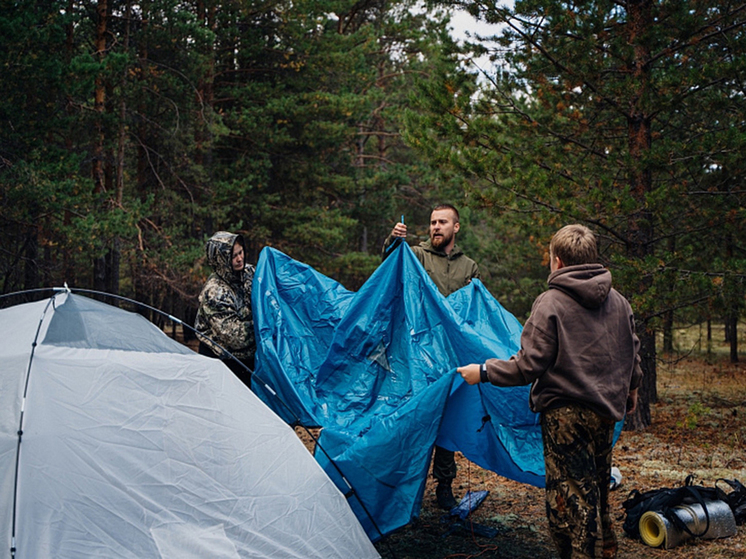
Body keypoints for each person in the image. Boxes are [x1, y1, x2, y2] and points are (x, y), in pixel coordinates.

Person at [457, 224, 642, 559]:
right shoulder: (619, 302)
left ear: (557, 261)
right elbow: (632, 351)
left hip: (565, 418)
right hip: (605, 412)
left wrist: (482, 372)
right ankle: (605, 550)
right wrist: (632, 389)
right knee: (597, 489)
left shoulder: (551, 302)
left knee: (569, 501)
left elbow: (528, 365)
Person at [382, 204, 479, 510]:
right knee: (413, 418)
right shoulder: (417, 255)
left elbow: (475, 309)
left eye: (442, 222)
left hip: (451, 356)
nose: (436, 227)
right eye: (433, 222)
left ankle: (444, 486)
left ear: (456, 227)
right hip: (417, 354)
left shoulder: (469, 267)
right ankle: (401, 485)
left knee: (446, 422)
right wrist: (391, 242)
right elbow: (391, 268)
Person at [195, 231, 255, 388]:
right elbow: (237, 337)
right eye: (234, 256)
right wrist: (264, 326)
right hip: (223, 364)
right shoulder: (215, 292)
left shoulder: (249, 273)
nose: (240, 259)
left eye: (241, 252)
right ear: (221, 260)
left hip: (249, 362)